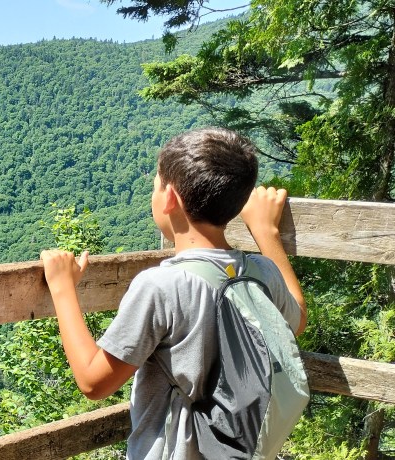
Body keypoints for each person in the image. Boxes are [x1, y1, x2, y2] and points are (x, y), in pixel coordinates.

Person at [40, 127, 307, 459]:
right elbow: (295, 320)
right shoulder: (263, 272)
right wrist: (265, 231)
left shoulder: (162, 286)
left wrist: (62, 287)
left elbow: (94, 382)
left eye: (157, 183)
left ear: (170, 198)